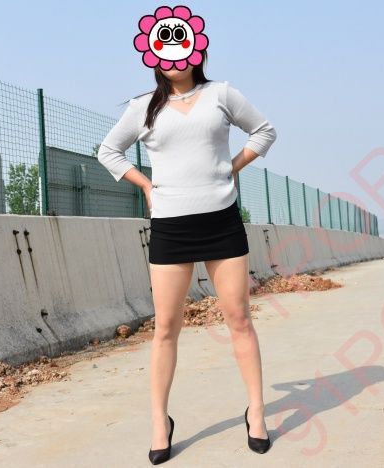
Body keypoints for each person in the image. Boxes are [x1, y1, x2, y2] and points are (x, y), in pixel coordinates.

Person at [97, 48, 277, 463]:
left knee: (239, 318)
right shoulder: (143, 106)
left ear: (197, 50)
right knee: (165, 327)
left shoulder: (222, 94)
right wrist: (146, 185)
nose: (174, 55)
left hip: (222, 221)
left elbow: (264, 131)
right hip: (171, 227)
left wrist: (231, 167)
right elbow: (109, 151)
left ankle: (256, 412)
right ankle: (160, 421)